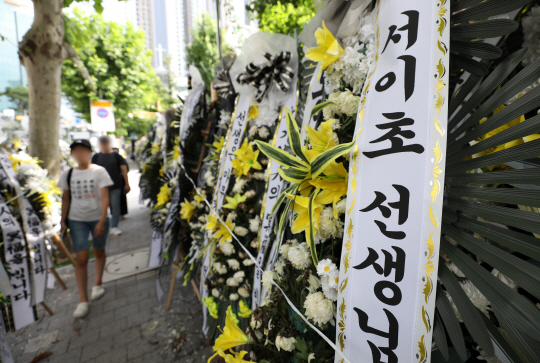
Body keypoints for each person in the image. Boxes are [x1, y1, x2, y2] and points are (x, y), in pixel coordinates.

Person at [59, 139, 114, 318]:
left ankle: (97, 283)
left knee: (99, 251)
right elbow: (66, 198)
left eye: (83, 150)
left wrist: (102, 220)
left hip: (98, 218)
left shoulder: (99, 171)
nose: (80, 154)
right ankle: (83, 299)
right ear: (72, 155)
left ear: (90, 152)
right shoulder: (67, 175)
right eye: (76, 151)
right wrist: (63, 220)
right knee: (81, 258)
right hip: (77, 220)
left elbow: (105, 198)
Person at [92, 136, 130, 235]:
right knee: (101, 208)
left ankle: (114, 226)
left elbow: (124, 169)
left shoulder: (116, 156)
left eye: (106, 143)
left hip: (115, 186)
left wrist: (126, 183)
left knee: (115, 206)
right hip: (100, 188)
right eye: (102, 143)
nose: (104, 145)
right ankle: (103, 226)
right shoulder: (96, 157)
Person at [112, 147, 128, 219]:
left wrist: (126, 183)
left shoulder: (120, 159)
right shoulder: (110, 159)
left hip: (120, 182)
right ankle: (115, 215)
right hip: (111, 183)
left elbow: (126, 169)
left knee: (121, 199)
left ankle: (121, 214)